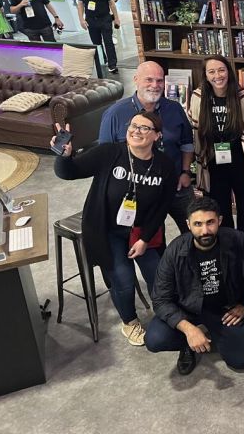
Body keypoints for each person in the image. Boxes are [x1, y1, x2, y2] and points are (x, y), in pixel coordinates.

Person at [53, 112, 176, 346]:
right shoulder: (109, 153)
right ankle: (129, 321)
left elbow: (162, 207)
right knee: (123, 278)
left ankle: (166, 313)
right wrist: (64, 156)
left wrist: (145, 239)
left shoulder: (164, 165)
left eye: (144, 128)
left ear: (157, 136)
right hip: (107, 230)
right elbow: (68, 172)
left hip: (142, 231)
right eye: (133, 125)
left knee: (158, 275)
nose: (136, 131)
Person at [146, 197, 244, 374]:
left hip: (224, 310)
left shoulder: (238, 241)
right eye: (198, 224)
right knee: (154, 339)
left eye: (210, 222)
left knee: (242, 360)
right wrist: (188, 329)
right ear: (188, 225)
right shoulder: (174, 252)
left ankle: (220, 334)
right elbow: (160, 299)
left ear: (219, 221)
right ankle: (188, 344)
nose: (205, 230)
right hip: (186, 309)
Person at [99, 61, 195, 236]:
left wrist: (186, 172)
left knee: (194, 231)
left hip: (177, 185)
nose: (155, 86)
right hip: (139, 190)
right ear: (136, 79)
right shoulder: (115, 114)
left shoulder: (174, 108)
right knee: (150, 240)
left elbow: (187, 143)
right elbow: (104, 158)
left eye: (159, 81)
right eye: (149, 80)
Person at [189, 55, 244, 234]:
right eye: (212, 71)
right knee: (219, 209)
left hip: (240, 162)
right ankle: (226, 247)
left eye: (221, 70)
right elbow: (195, 132)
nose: (217, 75)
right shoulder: (198, 97)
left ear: (228, 72)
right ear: (206, 75)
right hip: (212, 163)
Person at [77, 0, 120, 74]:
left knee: (108, 42)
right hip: (91, 20)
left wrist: (116, 18)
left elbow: (111, 4)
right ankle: (102, 60)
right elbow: (80, 5)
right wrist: (81, 20)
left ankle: (112, 64)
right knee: (96, 43)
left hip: (105, 19)